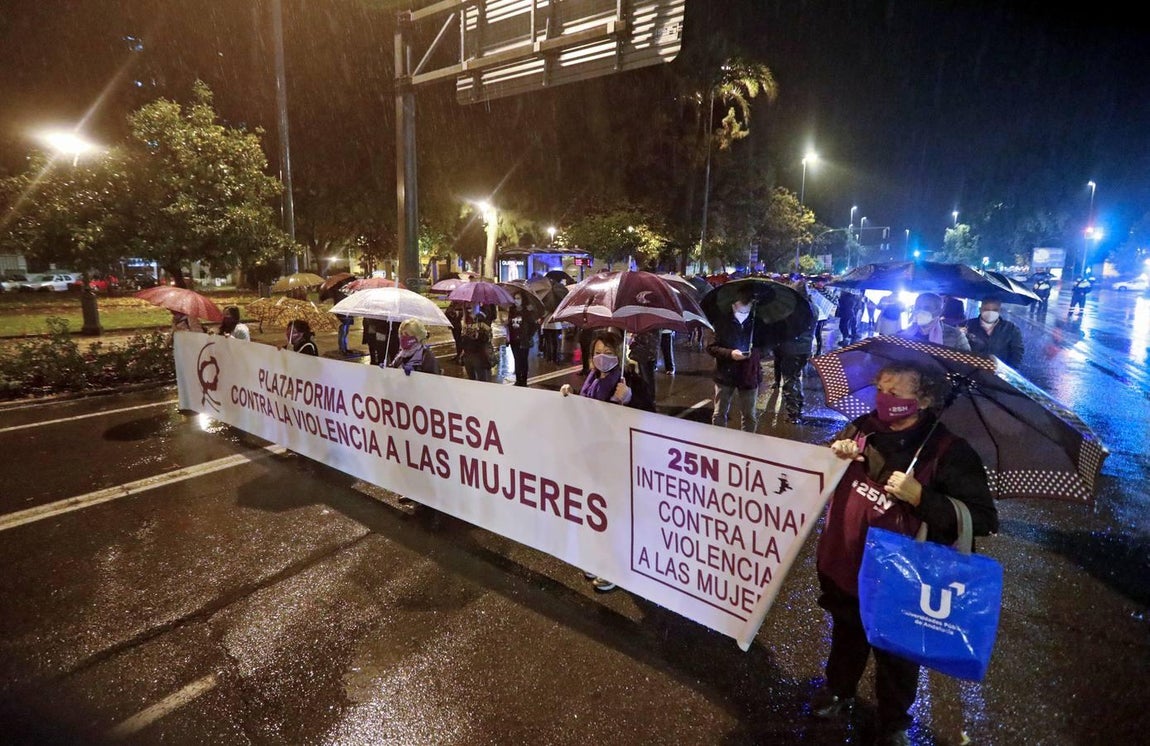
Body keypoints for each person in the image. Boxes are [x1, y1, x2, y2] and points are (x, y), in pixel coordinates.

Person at [812, 361, 998, 745]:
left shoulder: (949, 451)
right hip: (850, 560)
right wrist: (837, 450)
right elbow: (825, 470)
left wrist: (921, 497)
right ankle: (838, 692)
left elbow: (982, 518)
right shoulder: (863, 427)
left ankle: (893, 721)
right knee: (847, 633)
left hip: (903, 575)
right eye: (881, 388)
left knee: (897, 652)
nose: (884, 399)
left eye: (896, 393)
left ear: (926, 399)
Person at [560, 330, 654, 593]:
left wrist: (631, 399)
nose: (602, 357)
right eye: (598, 352)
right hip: (591, 456)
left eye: (609, 353)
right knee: (595, 512)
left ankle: (614, 568)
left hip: (618, 459)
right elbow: (587, 409)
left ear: (619, 355)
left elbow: (651, 415)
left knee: (614, 516)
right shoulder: (591, 379)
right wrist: (572, 395)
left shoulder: (631, 380)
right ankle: (598, 559)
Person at [707, 287, 762, 432]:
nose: (743, 311)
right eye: (740, 307)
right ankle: (718, 445)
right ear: (733, 305)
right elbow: (711, 347)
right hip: (725, 374)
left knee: (749, 415)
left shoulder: (758, 323)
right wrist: (730, 353)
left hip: (749, 374)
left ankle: (746, 447)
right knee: (719, 413)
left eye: (747, 307)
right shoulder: (721, 323)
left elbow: (767, 345)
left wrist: (755, 352)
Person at [776, 304, 816, 424]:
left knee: (789, 381)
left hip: (791, 350)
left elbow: (786, 331)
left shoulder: (793, 310)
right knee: (796, 376)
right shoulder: (814, 307)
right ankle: (799, 404)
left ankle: (793, 413)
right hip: (806, 349)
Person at [896, 292, 971, 351]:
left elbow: (966, 365)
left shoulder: (956, 336)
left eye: (927, 308)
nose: (921, 311)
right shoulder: (904, 334)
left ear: (939, 311)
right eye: (918, 307)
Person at [964, 298, 1024, 367]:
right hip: (971, 370)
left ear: (1000, 311)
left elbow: (1017, 353)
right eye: (986, 309)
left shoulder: (1011, 329)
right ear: (980, 310)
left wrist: (1009, 371)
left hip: (998, 372)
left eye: (995, 310)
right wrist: (959, 334)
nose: (990, 313)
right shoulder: (967, 325)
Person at [506, 291, 540, 386]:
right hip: (514, 340)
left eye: (518, 298)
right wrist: (507, 325)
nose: (516, 300)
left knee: (523, 360)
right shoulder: (512, 310)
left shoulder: (527, 311)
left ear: (522, 300)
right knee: (516, 359)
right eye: (515, 298)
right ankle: (518, 380)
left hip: (524, 340)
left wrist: (528, 335)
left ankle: (524, 381)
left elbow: (534, 326)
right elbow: (509, 324)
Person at [459, 306, 494, 382]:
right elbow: (463, 337)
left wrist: (479, 333)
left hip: (479, 355)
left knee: (482, 380)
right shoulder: (465, 318)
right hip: (467, 354)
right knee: (471, 380)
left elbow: (488, 337)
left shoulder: (482, 317)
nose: (469, 305)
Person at [627, 329, 659, 394]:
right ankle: (649, 396)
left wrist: (636, 336)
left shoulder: (647, 330)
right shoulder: (653, 328)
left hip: (644, 355)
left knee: (646, 378)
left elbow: (645, 341)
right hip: (649, 354)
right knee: (648, 376)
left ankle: (649, 397)